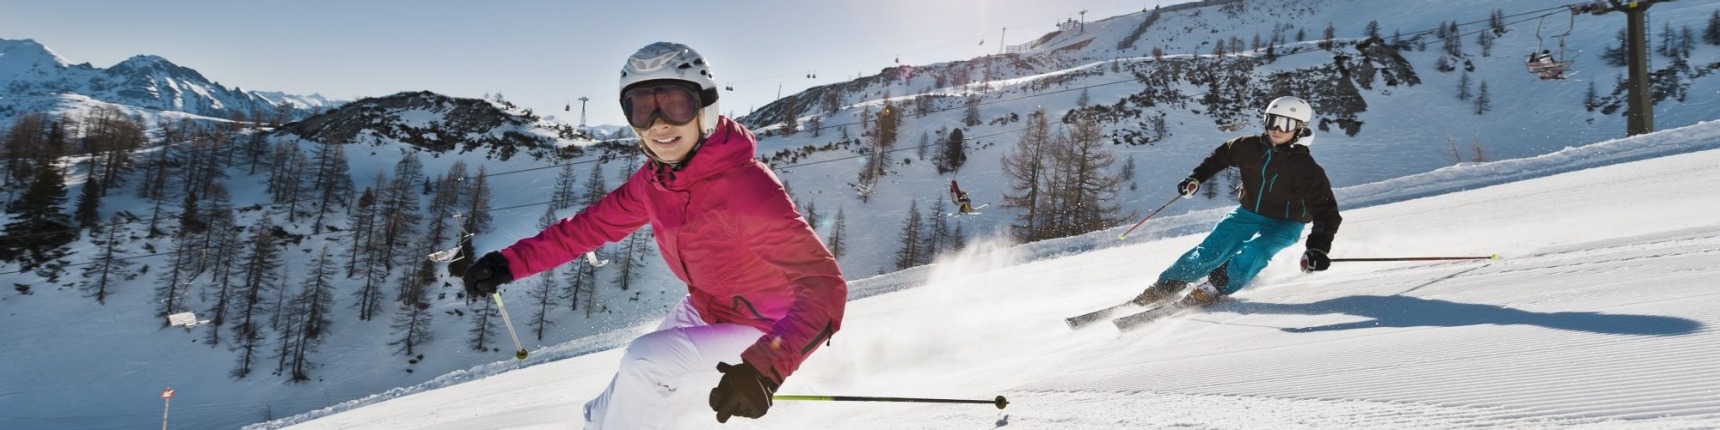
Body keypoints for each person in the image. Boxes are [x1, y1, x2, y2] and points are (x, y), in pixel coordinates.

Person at [461, 42, 847, 429]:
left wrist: (765, 368)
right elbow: (589, 227)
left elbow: (824, 286)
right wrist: (507, 264)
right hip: (708, 307)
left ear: (706, 109)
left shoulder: (745, 189)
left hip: (766, 325)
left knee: (645, 363)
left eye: (675, 105)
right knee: (613, 400)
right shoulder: (657, 181)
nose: (658, 124)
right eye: (642, 108)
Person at [1136, 96, 1342, 307]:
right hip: (1249, 212)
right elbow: (1219, 157)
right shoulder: (1248, 147)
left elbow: (1327, 213)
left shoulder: (1306, 168)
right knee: (1212, 249)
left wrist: (1317, 249)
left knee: (1257, 251)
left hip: (1287, 222)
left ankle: (1214, 286)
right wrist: (1196, 178)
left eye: (1286, 124)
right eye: (1272, 121)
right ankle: (1167, 285)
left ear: (1299, 128)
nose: (1277, 129)